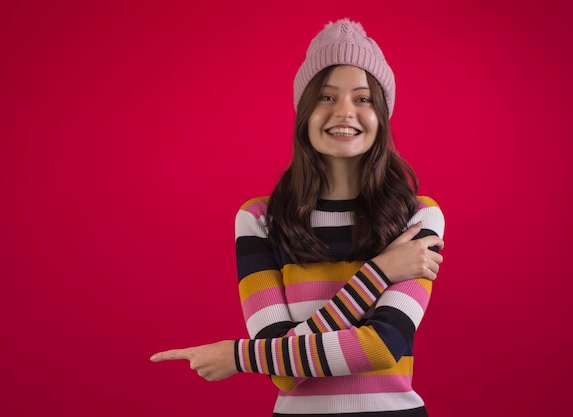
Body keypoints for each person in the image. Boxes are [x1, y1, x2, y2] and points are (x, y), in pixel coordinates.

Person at [151, 18, 445, 417]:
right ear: (304, 111)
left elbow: (381, 347)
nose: (344, 112)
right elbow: (284, 375)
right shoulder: (259, 219)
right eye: (325, 97)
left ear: (382, 115)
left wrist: (240, 356)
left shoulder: (418, 215)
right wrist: (379, 272)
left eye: (362, 99)